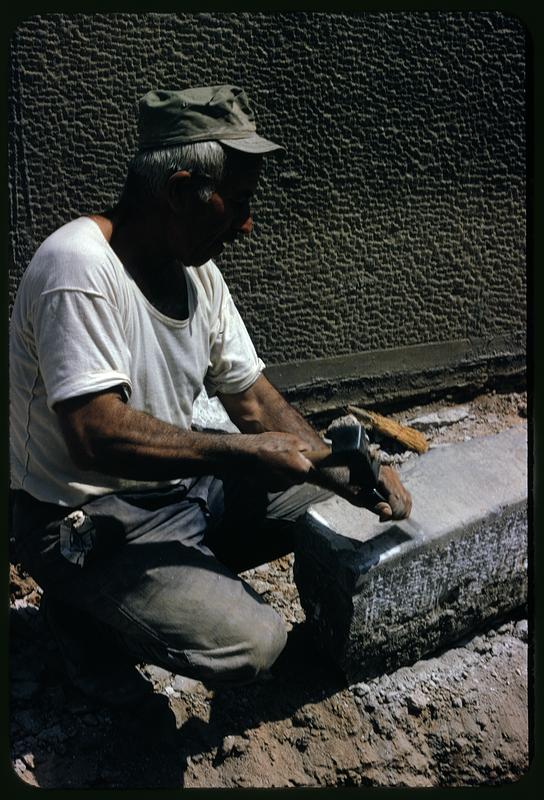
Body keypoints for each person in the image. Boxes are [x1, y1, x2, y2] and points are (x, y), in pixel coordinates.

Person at [10, 85, 411, 707]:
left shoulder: (198, 272)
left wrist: (350, 470)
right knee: (256, 644)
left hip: (178, 491)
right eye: (239, 202)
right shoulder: (78, 268)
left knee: (317, 487)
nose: (248, 226)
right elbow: (94, 434)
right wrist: (243, 454)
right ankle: (84, 611)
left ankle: (150, 586)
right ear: (178, 191)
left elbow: (252, 399)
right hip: (85, 518)